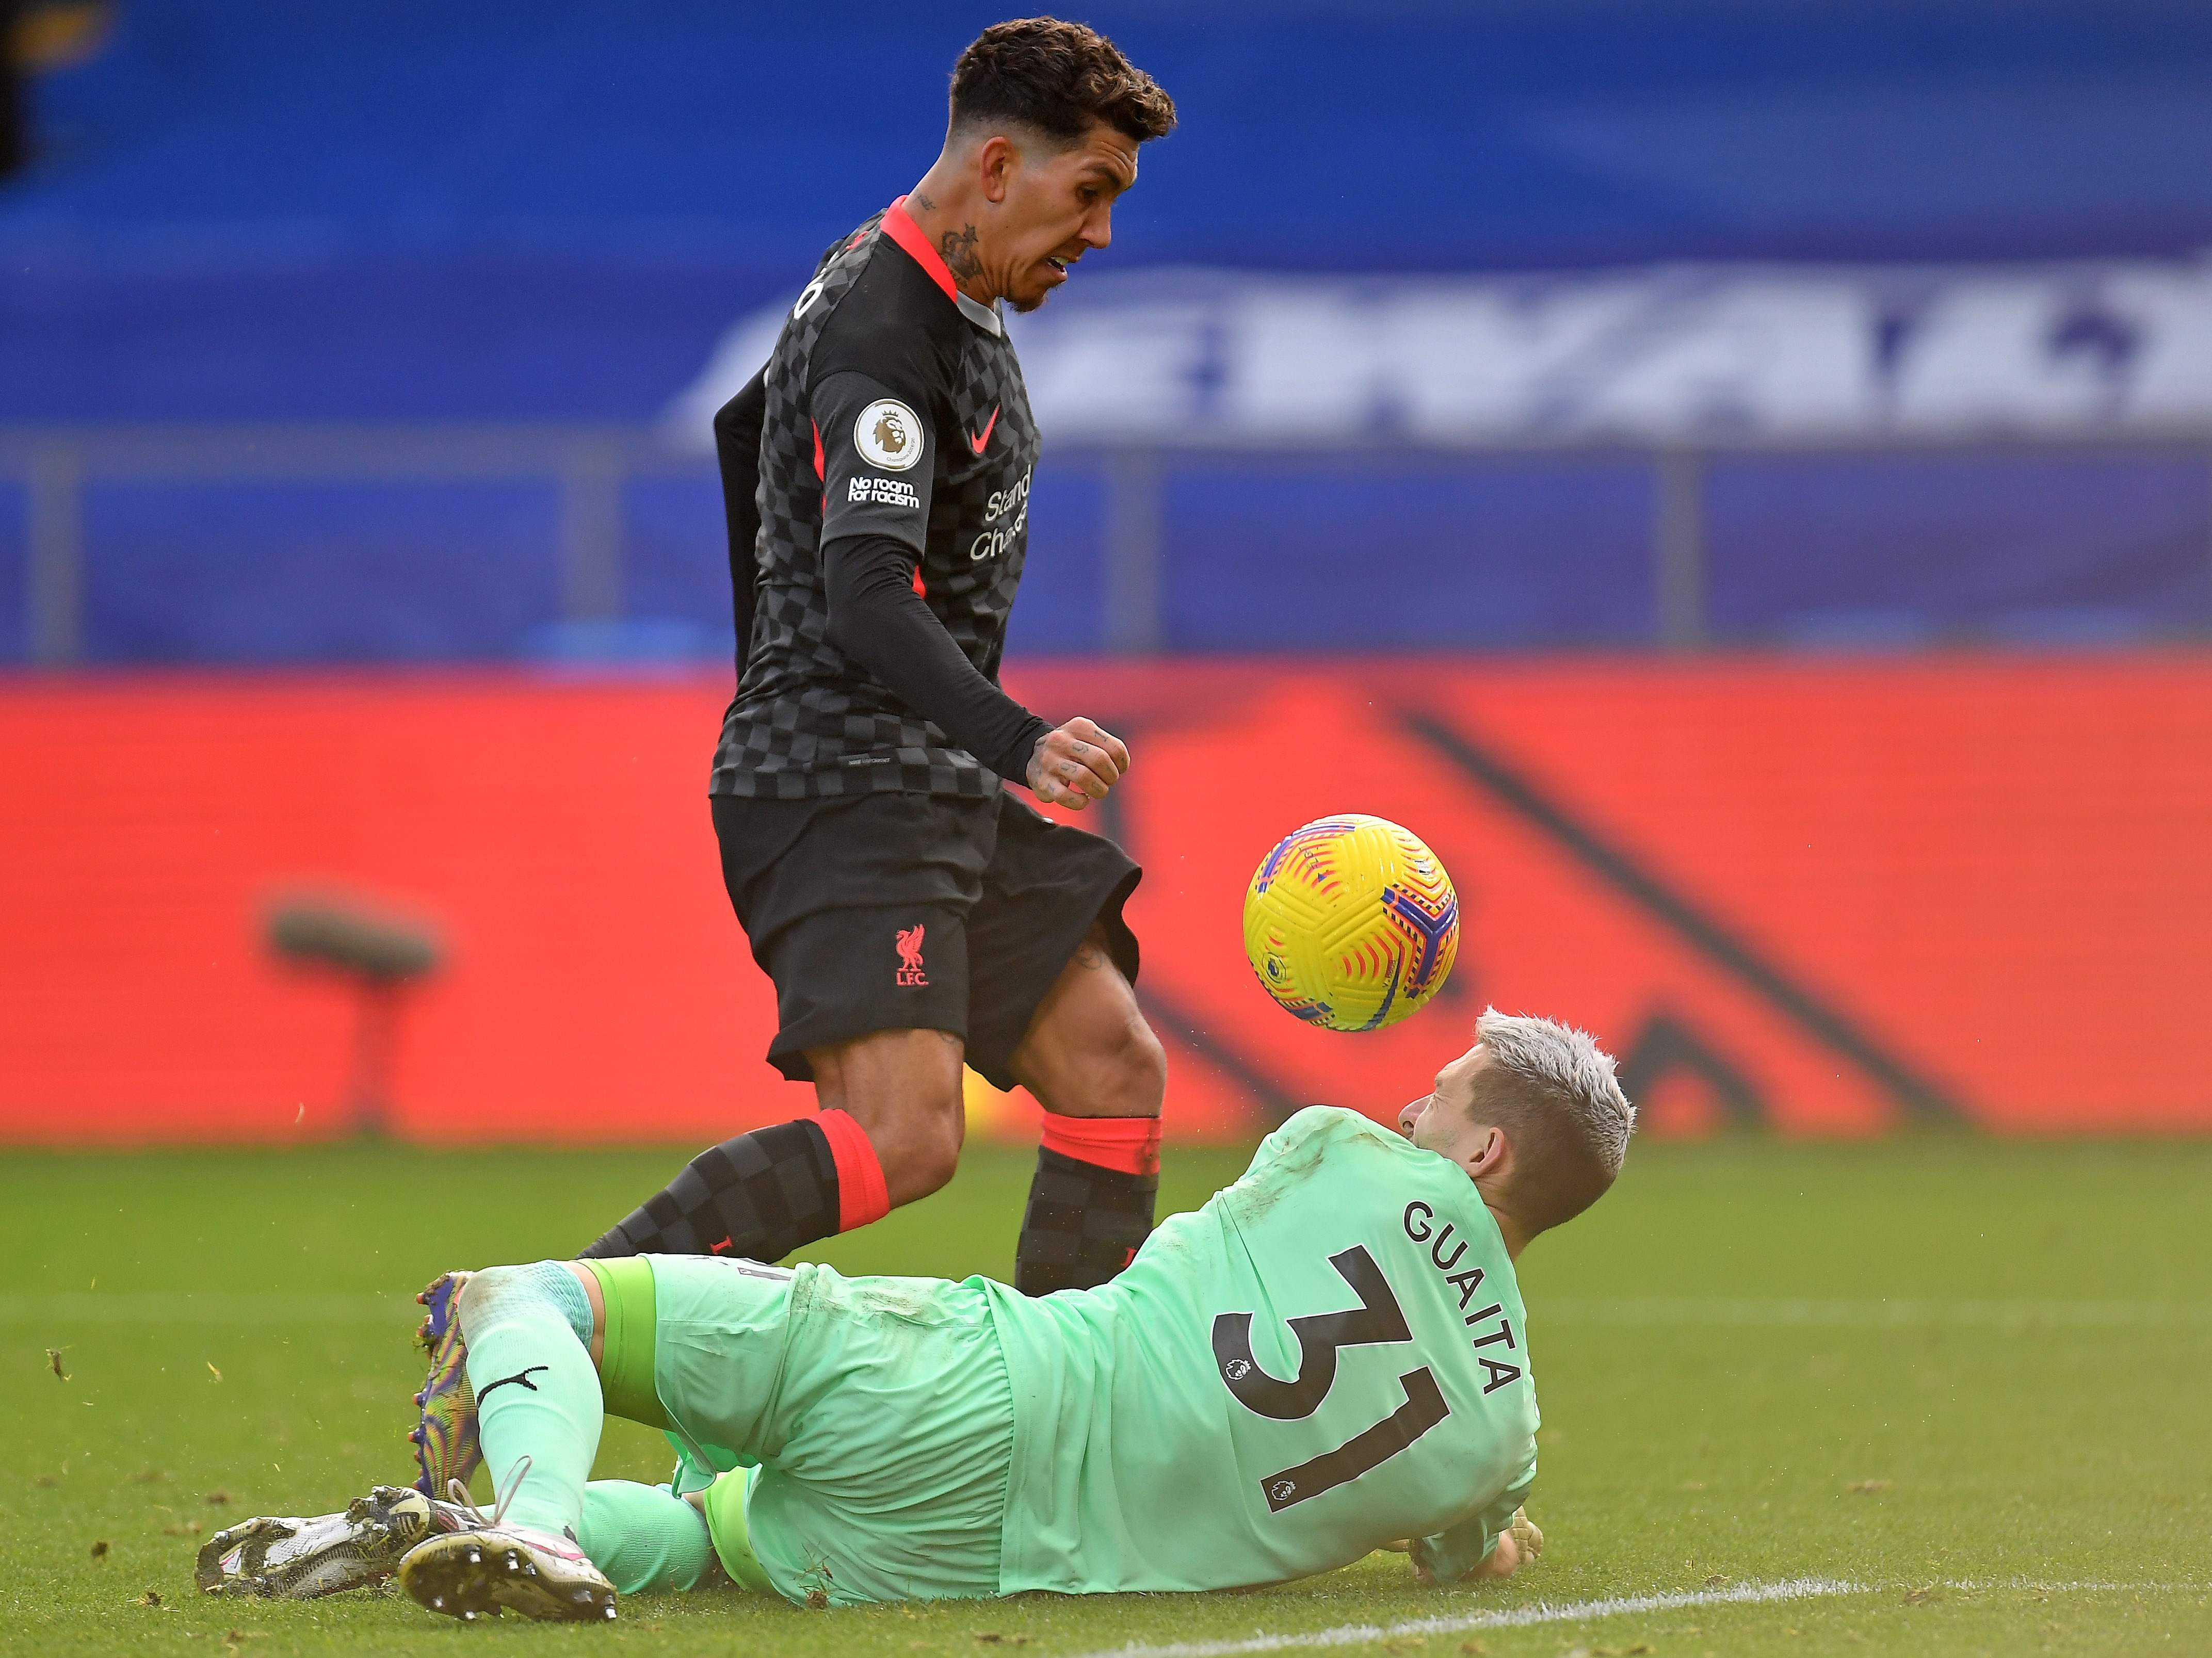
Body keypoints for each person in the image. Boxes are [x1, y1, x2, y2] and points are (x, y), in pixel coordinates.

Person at [405, 17, 1180, 1501]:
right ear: (998, 167)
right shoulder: (887, 320)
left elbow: (742, 427)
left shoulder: (939, 291)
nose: (1100, 232)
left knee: (1109, 1065)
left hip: (916, 773)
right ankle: (533, 1325)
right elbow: (868, 595)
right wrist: (1009, 736)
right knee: (906, 1137)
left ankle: (1060, 1446)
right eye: (1090, 192)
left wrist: (782, 645)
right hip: (845, 783)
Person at [207, 1012, 1633, 1617]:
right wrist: (1481, 1539)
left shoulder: (1338, 1150)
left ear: (1484, 1149)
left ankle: (528, 1517)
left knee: (534, 1300)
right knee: (711, 1536)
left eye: (1442, 1095)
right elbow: (1466, 1555)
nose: (1411, 1103)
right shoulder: (1499, 1439)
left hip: (978, 1382)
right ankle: (441, 1532)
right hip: (970, 1562)